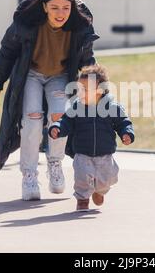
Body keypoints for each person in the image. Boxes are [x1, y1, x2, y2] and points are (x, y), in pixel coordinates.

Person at [0, 0, 100, 201]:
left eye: (66, 8)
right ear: (45, 7)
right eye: (55, 7)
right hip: (30, 75)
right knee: (32, 120)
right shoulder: (27, 23)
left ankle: (54, 162)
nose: (60, 13)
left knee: (59, 117)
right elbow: (7, 51)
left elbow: (88, 61)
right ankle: (29, 175)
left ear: (72, 9)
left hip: (59, 77)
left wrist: (93, 85)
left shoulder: (80, 27)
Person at [49, 64, 135, 211]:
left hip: (105, 152)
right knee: (82, 178)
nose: (80, 93)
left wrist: (126, 133)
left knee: (108, 178)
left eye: (85, 89)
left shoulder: (112, 107)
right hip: (82, 152)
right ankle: (82, 199)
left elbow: (123, 122)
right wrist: (57, 127)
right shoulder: (76, 107)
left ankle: (99, 191)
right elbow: (66, 121)